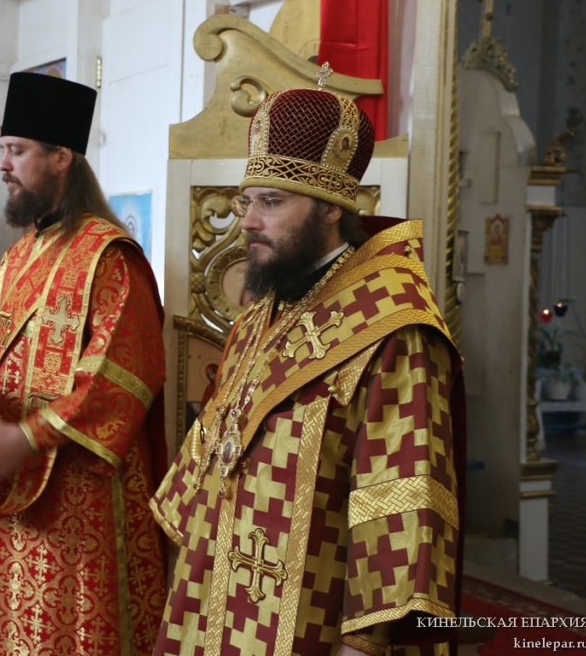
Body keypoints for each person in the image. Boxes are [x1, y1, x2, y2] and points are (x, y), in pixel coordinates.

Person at [150, 87, 466, 656]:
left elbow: (402, 499)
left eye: (271, 202)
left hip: (309, 623)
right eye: (247, 200)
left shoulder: (393, 328)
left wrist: (363, 645)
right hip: (214, 597)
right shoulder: (259, 315)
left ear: (330, 208)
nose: (248, 222)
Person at [0, 72, 168, 655]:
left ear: (61, 157)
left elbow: (121, 382)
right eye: (3, 150)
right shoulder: (21, 254)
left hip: (79, 500)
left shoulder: (111, 258)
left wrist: (26, 437)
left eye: (16, 151)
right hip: (9, 485)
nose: (3, 165)